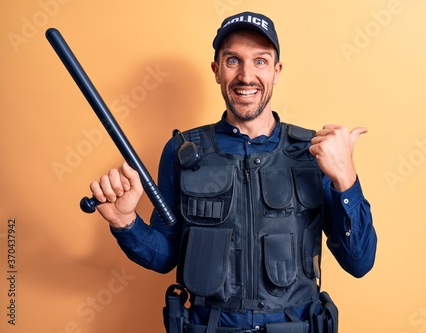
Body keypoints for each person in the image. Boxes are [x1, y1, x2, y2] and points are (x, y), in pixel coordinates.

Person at [89, 11, 377, 333]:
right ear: (216, 70)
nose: (246, 76)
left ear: (277, 71)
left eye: (260, 61)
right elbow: (165, 256)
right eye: (232, 61)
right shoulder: (182, 151)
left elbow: (360, 262)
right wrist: (124, 222)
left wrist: (345, 178)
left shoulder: (314, 153)